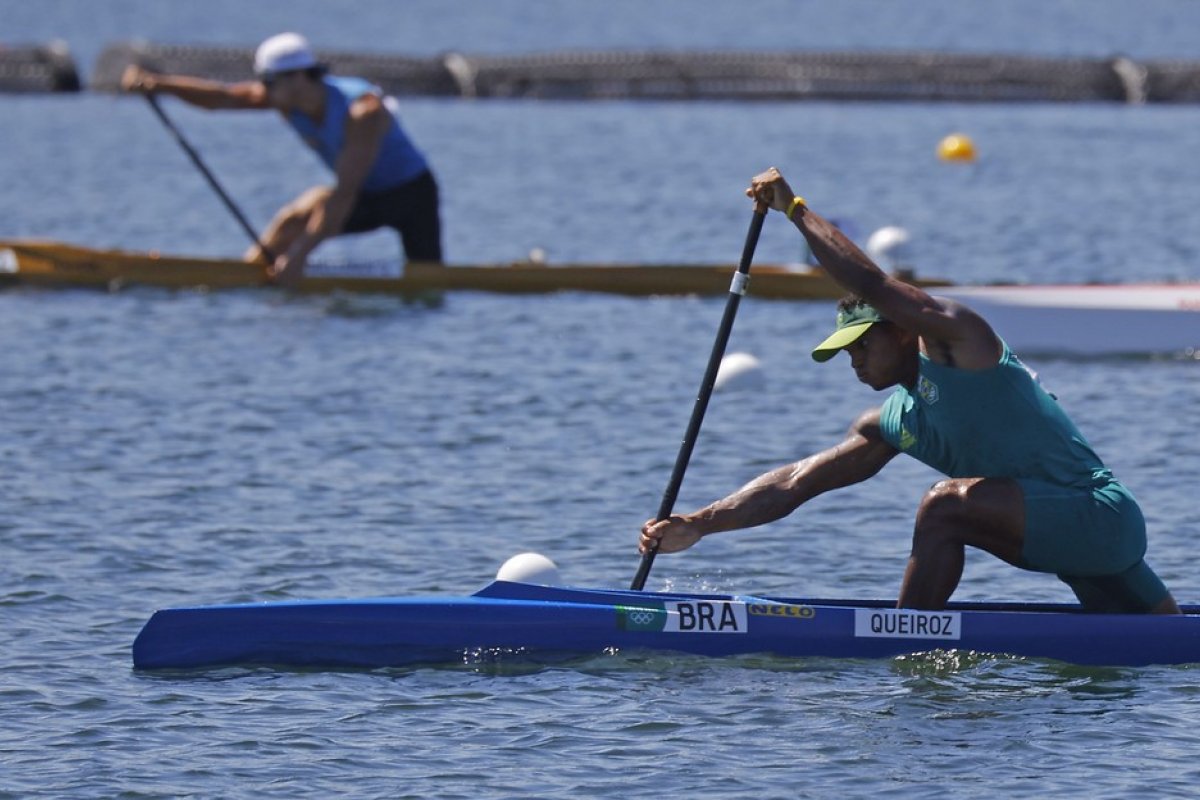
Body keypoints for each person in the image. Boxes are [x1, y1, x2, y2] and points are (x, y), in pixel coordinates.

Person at [640, 166, 1179, 615]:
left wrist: (794, 209)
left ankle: (905, 639)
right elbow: (794, 484)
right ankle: (909, 634)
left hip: (1099, 516)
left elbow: (872, 285)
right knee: (1168, 643)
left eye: (861, 345)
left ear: (901, 330)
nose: (853, 360)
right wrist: (699, 524)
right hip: (1075, 543)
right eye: (846, 351)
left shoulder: (960, 343)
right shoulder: (893, 421)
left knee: (943, 505)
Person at [122, 32, 442, 283]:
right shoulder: (285, 98)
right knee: (293, 220)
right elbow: (222, 97)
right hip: (364, 193)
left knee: (430, 280)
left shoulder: (363, 113)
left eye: (268, 82)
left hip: (411, 196)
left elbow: (345, 193)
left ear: (299, 77)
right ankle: (245, 275)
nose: (263, 89)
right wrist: (157, 84)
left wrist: (300, 258)